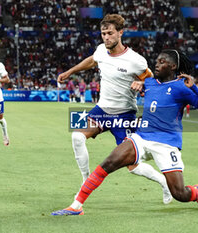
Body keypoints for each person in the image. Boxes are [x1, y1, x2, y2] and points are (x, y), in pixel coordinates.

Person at [52, 49, 198, 216]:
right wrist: (141, 84)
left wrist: (194, 86)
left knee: (180, 194)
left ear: (173, 66)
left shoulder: (181, 87)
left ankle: (197, 193)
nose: (156, 65)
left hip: (166, 144)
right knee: (109, 163)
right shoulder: (150, 83)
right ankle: (76, 205)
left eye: (162, 62)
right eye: (157, 61)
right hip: (141, 138)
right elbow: (136, 83)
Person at [57, 14, 172, 204]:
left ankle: (164, 182)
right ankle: (86, 181)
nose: (106, 37)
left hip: (124, 114)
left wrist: (141, 83)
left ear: (120, 33)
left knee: (133, 166)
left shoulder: (136, 60)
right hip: (102, 110)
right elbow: (93, 60)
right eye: (103, 33)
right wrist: (70, 72)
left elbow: (153, 81)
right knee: (77, 137)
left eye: (110, 33)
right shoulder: (101, 50)